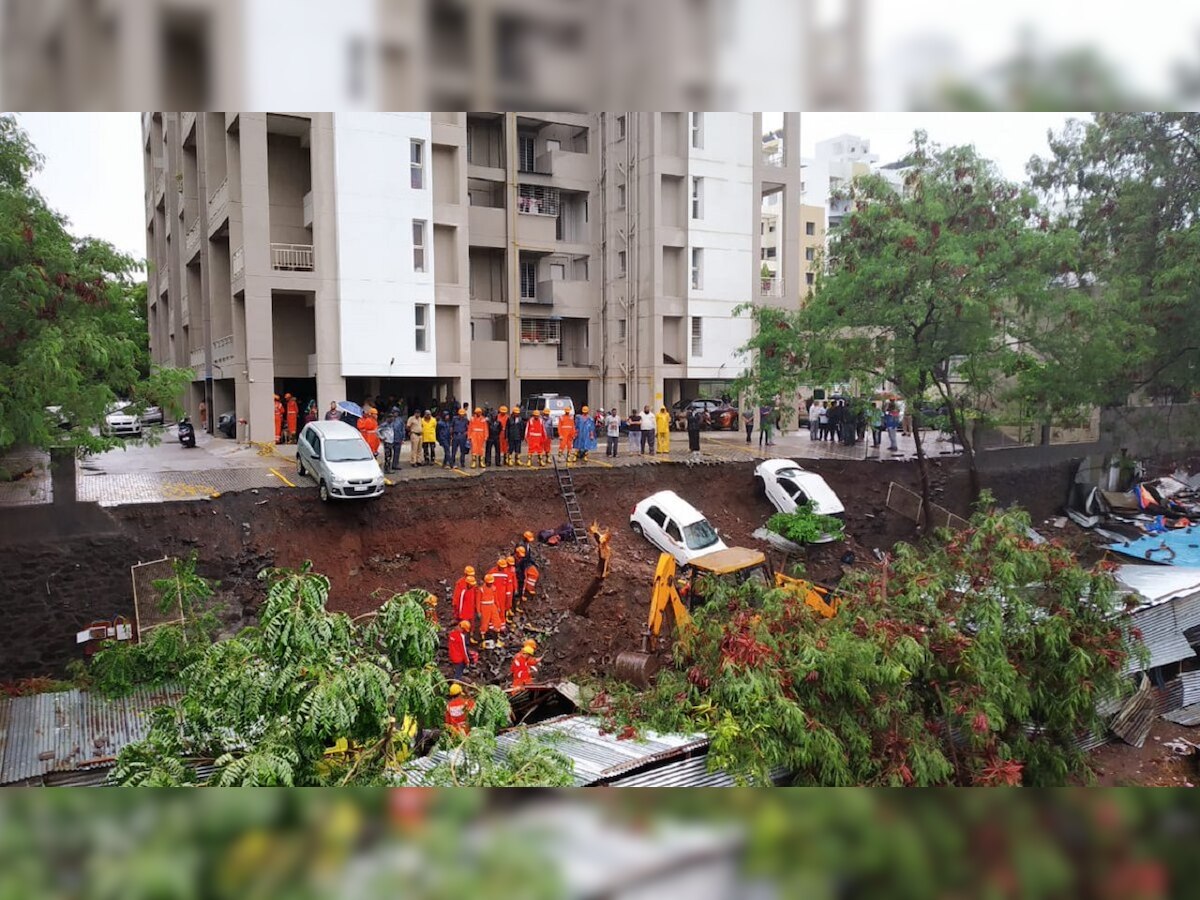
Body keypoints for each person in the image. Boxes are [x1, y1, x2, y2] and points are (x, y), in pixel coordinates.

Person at [477, 573, 504, 645]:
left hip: (492, 606)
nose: (490, 584)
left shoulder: (493, 588)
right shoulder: (481, 589)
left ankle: (496, 638)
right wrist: (479, 611)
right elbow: (478, 601)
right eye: (489, 583)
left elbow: (496, 599)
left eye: (491, 583)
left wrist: (497, 607)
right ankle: (483, 640)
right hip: (484, 607)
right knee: (484, 623)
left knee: (497, 621)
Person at [453, 569, 478, 643]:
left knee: (471, 624)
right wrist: (458, 614)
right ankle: (462, 640)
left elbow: (474, 597)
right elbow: (459, 601)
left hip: (471, 610)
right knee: (464, 626)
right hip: (464, 612)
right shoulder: (461, 586)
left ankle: (470, 638)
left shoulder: (472, 587)